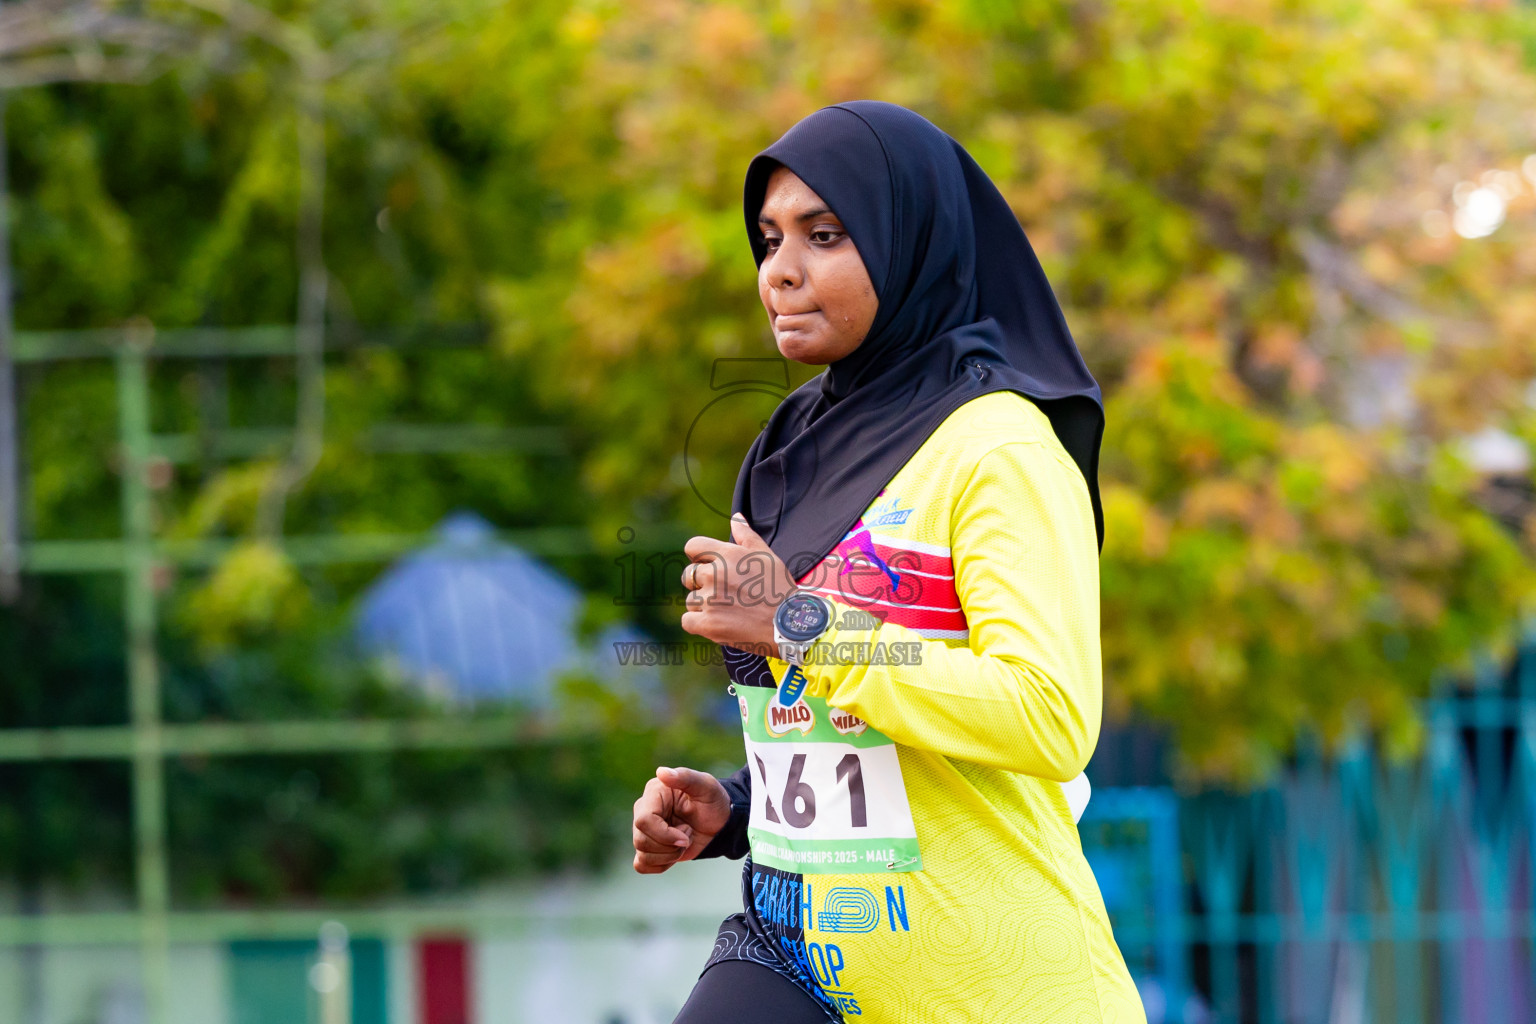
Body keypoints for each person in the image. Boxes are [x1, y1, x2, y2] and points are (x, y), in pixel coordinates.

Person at [631, 101, 1147, 1024]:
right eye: (768, 239)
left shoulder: (1000, 448)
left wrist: (798, 622)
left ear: (911, 244)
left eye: (823, 236)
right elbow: (843, 727)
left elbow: (1048, 715)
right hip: (789, 948)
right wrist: (740, 808)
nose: (779, 272)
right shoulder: (790, 446)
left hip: (985, 985)